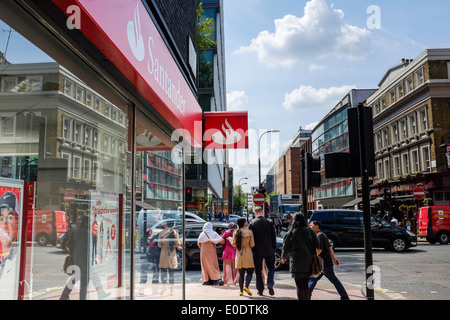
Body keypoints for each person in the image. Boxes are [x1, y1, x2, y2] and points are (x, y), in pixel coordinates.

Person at [307, 221, 350, 300]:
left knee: (312, 280)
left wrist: (310, 258)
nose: (310, 227)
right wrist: (334, 258)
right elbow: (330, 247)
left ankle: (345, 297)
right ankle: (345, 297)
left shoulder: (319, 236)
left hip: (323, 265)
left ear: (317, 226)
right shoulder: (322, 234)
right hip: (325, 263)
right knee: (315, 280)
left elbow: (319, 250)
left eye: (312, 225)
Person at [281, 212, 319, 300]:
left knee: (299, 286)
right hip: (308, 261)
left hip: (296, 263)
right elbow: (317, 243)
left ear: (294, 221)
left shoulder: (291, 232)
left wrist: (284, 257)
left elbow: (285, 247)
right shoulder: (309, 231)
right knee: (306, 285)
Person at [248, 206, 276, 296]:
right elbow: (273, 237)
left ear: (255, 213)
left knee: (258, 270)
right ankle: (270, 283)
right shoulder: (269, 222)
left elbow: (250, 238)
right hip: (269, 249)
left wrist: (252, 249)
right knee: (271, 268)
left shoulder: (252, 223)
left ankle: (260, 290)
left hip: (257, 250)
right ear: (262, 212)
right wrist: (273, 248)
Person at [231, 217, 255, 296]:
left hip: (239, 253)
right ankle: (246, 286)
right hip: (248, 252)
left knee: (241, 273)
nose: (247, 222)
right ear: (244, 223)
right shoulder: (249, 232)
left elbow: (234, 244)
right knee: (250, 271)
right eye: (246, 221)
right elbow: (252, 244)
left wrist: (230, 240)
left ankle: (241, 291)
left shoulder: (236, 232)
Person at [158, 222, 181, 295]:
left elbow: (159, 245)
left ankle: (164, 286)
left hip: (164, 254)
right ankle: (172, 290)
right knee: (172, 273)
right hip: (172, 253)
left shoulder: (161, 233)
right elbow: (177, 244)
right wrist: (181, 240)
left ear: (166, 225)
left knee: (164, 272)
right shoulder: (175, 232)